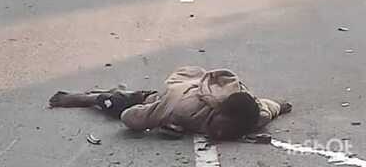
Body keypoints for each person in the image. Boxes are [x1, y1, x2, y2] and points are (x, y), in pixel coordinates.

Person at [49, 67, 292, 141]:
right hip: (171, 94)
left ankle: (121, 92)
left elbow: (270, 107)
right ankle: (88, 97)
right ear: (218, 110)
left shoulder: (255, 117)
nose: (220, 133)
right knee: (117, 105)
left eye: (231, 132)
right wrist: (161, 125)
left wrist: (282, 105)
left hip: (197, 90)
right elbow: (130, 118)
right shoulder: (182, 107)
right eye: (222, 125)